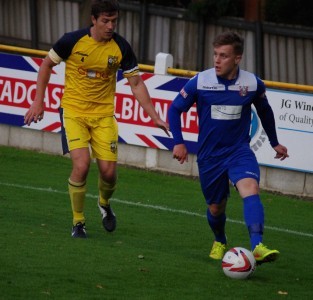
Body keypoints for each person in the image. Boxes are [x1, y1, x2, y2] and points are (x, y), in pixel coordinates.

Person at [24, 0, 169, 238]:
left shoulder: (121, 47)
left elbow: (136, 83)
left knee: (109, 174)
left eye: (114, 21)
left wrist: (154, 116)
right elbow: (46, 65)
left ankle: (104, 203)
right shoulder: (72, 40)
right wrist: (38, 101)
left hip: (103, 117)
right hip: (74, 113)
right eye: (105, 21)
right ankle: (78, 222)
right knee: (81, 166)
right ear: (93, 20)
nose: (110, 26)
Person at [168, 31, 289, 264]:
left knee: (250, 188)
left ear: (237, 58)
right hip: (210, 156)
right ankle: (220, 239)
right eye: (215, 55)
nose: (216, 60)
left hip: (238, 150)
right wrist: (178, 142)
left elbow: (265, 111)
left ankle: (257, 246)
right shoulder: (201, 81)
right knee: (216, 208)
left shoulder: (252, 83)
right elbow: (175, 109)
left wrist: (274, 142)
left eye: (223, 56)